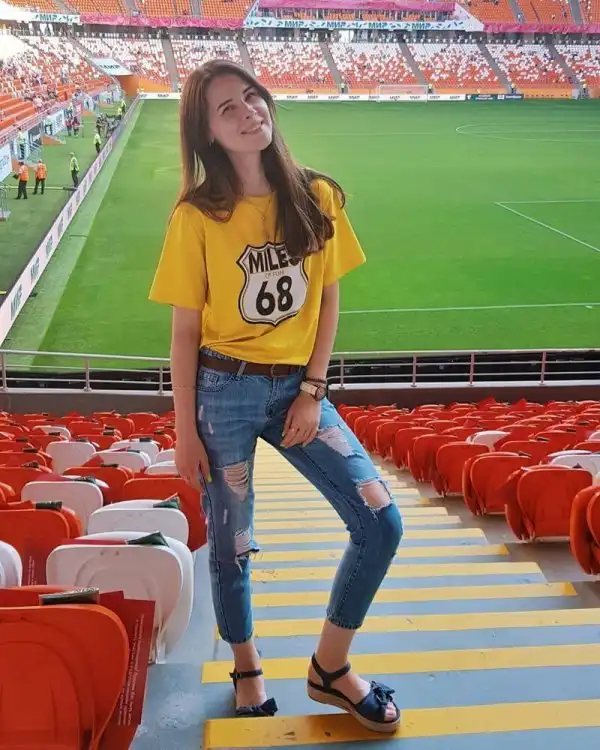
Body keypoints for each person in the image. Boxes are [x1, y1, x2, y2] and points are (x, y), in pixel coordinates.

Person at [149, 60, 402, 733]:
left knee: (381, 521)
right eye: (226, 108)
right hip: (222, 391)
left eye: (251, 96)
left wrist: (313, 390)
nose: (248, 112)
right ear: (206, 132)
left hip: (298, 387)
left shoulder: (317, 195)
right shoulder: (197, 216)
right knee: (231, 544)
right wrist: (183, 429)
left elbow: (328, 297)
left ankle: (330, 666)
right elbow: (183, 331)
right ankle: (246, 665)